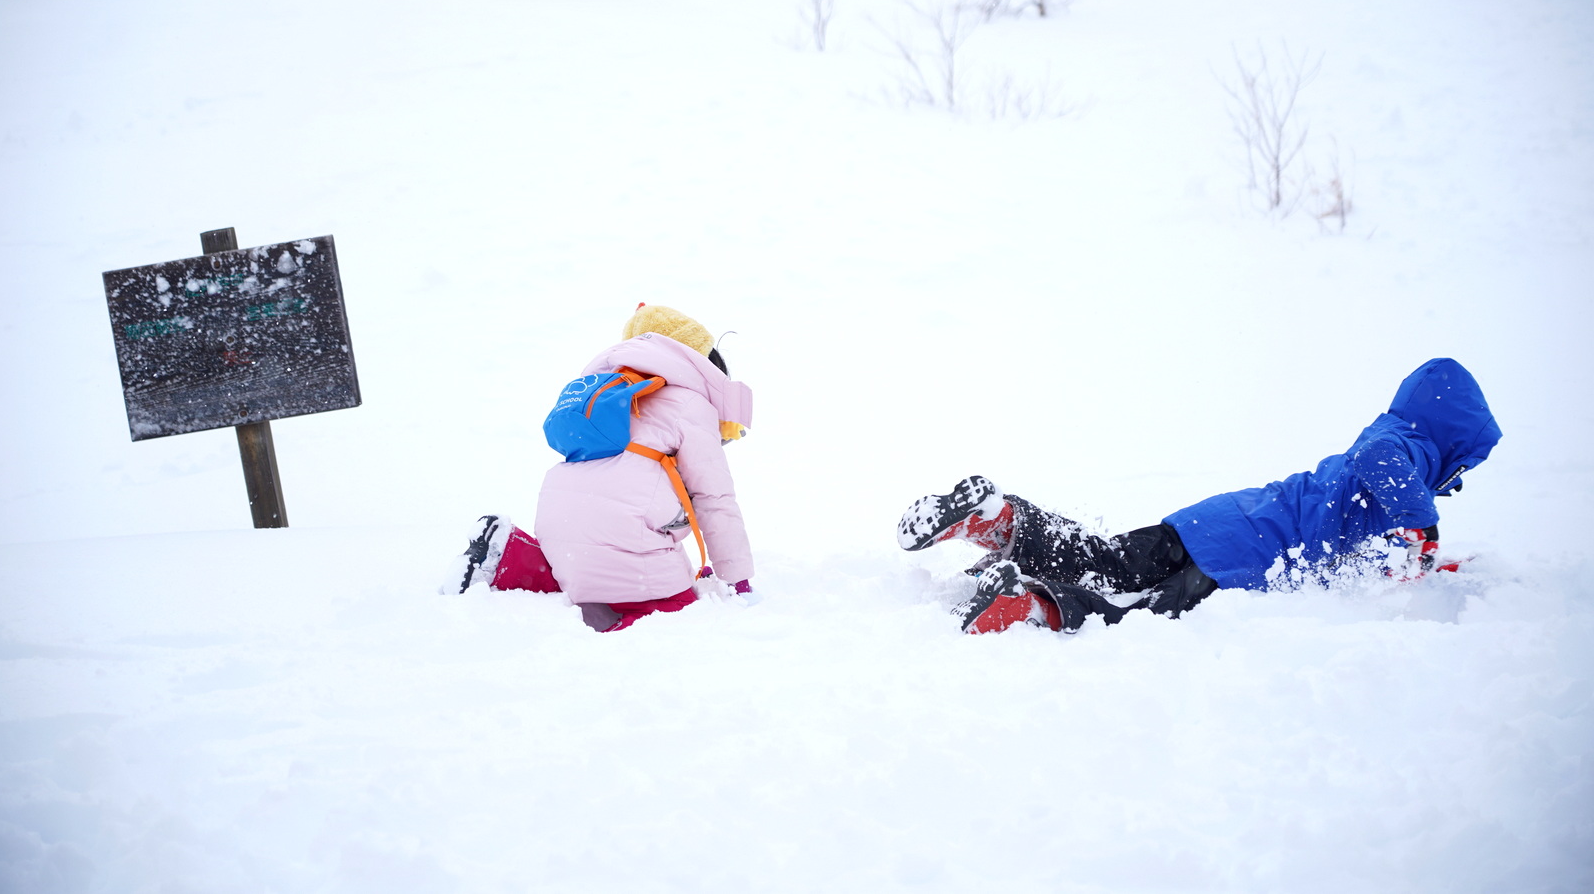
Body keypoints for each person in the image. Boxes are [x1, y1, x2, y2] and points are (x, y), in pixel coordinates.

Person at [898, 358, 1502, 635]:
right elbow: (1382, 469)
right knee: (1137, 621)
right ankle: (1028, 603)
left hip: (1223, 520)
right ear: (1452, 435)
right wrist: (1424, 528)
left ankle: (1001, 521)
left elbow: (1364, 528)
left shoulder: (1392, 431)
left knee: (1107, 558)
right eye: (1467, 457)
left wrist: (1423, 560)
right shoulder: (1409, 450)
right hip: (1248, 557)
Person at [442, 304, 756, 632]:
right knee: (674, 612)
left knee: (581, 569)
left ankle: (510, 555)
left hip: (559, 521)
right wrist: (738, 581)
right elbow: (714, 499)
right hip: (625, 530)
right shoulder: (691, 404)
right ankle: (608, 623)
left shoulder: (605, 391)